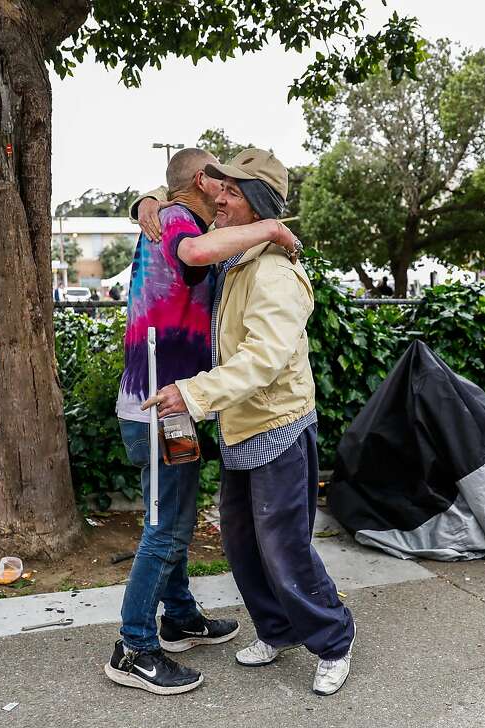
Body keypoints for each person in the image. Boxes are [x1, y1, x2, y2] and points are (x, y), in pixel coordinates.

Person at [144, 148, 356, 697]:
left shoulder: (275, 275)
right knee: (241, 542)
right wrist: (143, 202)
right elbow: (175, 222)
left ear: (258, 205)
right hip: (241, 425)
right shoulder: (239, 260)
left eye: (232, 192)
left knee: (284, 545)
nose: (219, 196)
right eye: (220, 189)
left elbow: (262, 360)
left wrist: (193, 393)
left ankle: (333, 641)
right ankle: (276, 629)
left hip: (278, 424)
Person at [106, 147, 297, 696]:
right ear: (201, 179)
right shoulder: (176, 220)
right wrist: (274, 230)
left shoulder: (169, 212)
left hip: (172, 401)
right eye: (223, 178)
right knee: (166, 527)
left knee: (174, 517)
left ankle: (180, 617)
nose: (228, 186)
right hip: (161, 407)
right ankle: (134, 648)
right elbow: (195, 251)